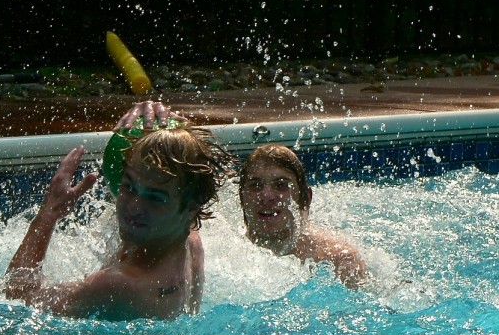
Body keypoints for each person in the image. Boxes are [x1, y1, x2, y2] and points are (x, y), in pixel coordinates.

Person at [116, 101, 366, 289]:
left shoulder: (337, 259)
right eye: (255, 186)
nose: (266, 196)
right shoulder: (224, 252)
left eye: (281, 185)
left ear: (305, 198)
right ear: (241, 197)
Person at [4, 127, 234, 320]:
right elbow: (191, 169)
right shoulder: (191, 241)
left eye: (155, 198)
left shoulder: (119, 285)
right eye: (129, 187)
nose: (133, 207)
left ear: (191, 206)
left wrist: (49, 213)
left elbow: (15, 301)